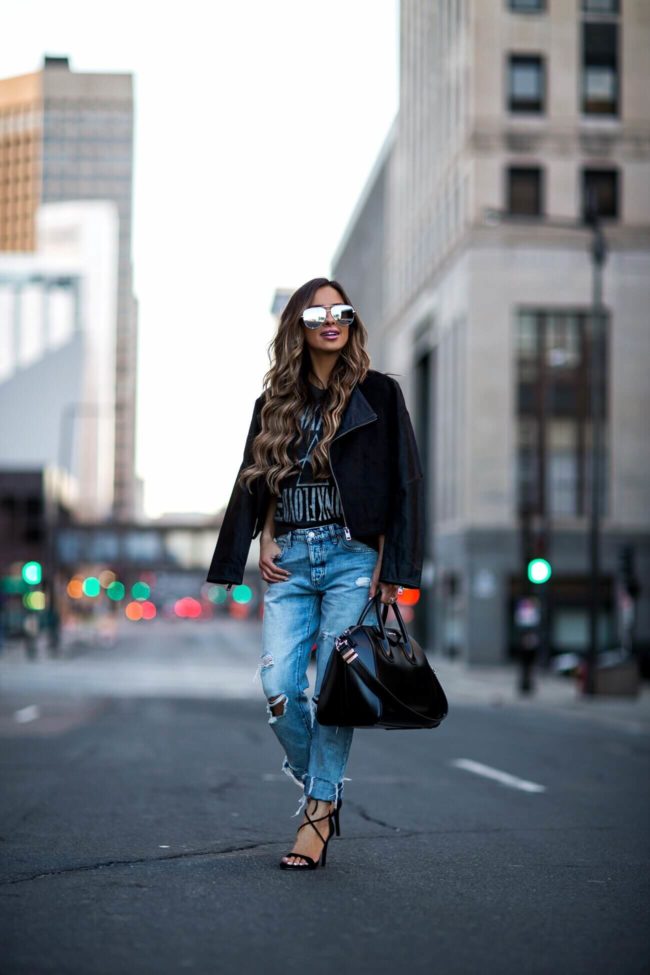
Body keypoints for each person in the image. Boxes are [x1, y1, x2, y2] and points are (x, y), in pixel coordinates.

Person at [206, 277, 424, 869]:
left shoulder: (379, 393)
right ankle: (321, 790)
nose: (331, 321)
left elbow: (403, 481)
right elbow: (257, 478)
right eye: (317, 313)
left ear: (352, 322)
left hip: (353, 558)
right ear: (297, 327)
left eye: (341, 311)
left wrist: (393, 566)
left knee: (333, 688)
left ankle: (318, 816)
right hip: (291, 560)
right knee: (279, 684)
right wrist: (263, 536)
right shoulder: (274, 401)